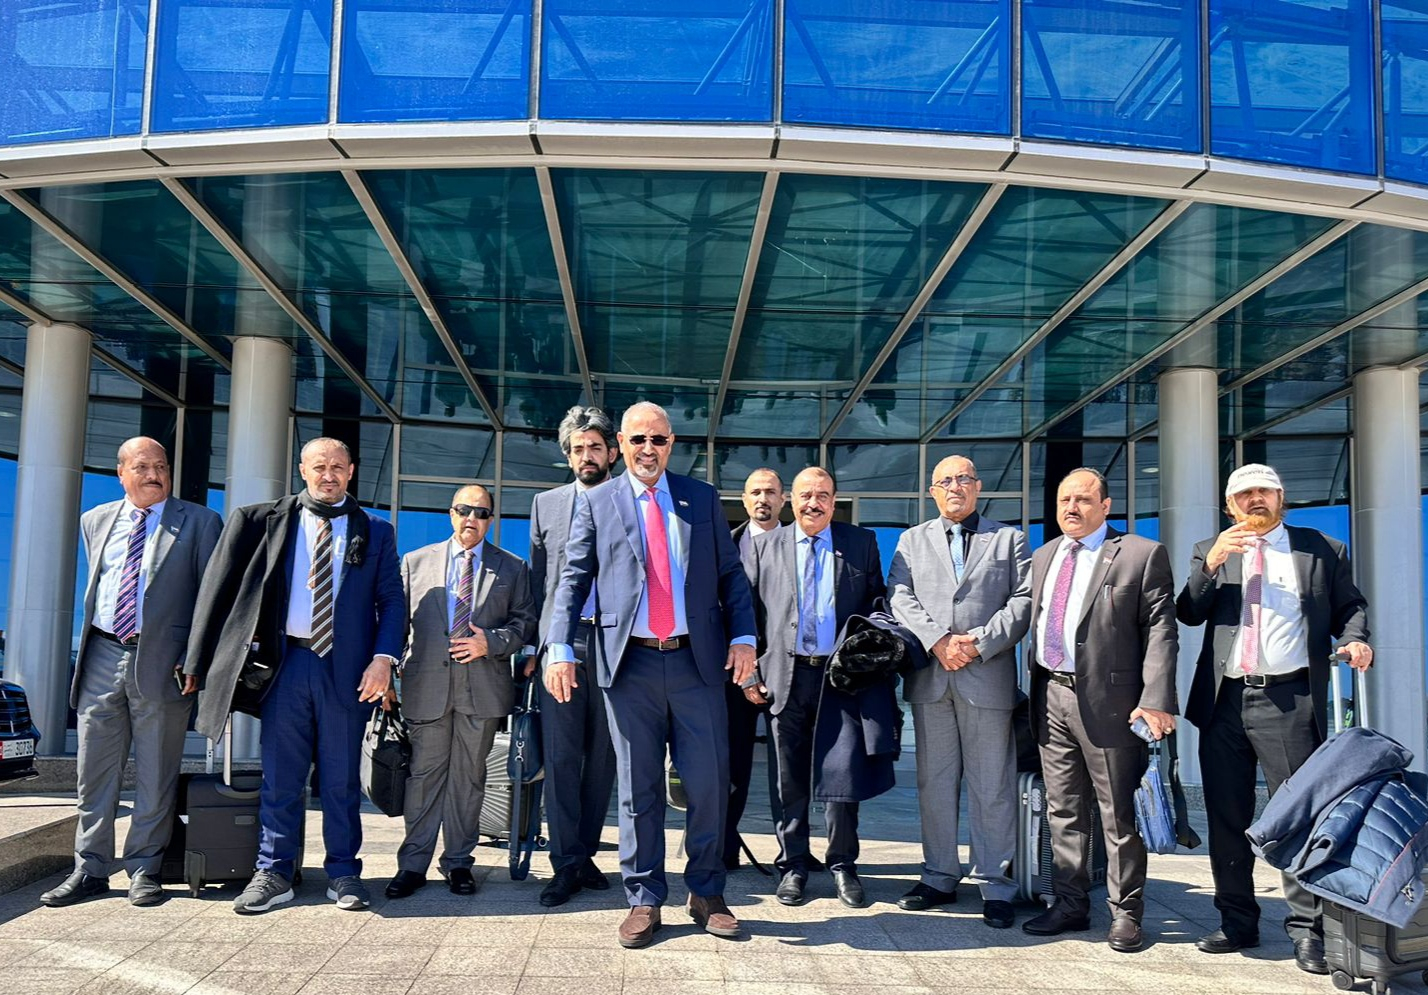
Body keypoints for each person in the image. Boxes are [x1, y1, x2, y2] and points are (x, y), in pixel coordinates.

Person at [545, 401, 756, 949]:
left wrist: (744, 638)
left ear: (671, 443)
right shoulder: (598, 501)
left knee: (708, 783)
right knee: (638, 789)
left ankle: (706, 892)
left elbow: (731, 575)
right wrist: (558, 647)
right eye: (637, 439)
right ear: (621, 443)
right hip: (629, 664)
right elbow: (572, 577)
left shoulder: (701, 498)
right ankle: (643, 897)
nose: (647, 449)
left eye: (657, 440)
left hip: (696, 663)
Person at [185, 437, 404, 914]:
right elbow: (218, 588)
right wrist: (199, 660)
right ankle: (274, 872)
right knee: (281, 778)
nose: (329, 475)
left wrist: (384, 659)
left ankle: (343, 872)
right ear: (302, 470)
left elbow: (391, 600)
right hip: (284, 666)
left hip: (347, 672)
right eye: (319, 466)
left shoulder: (376, 531)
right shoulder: (263, 521)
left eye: (338, 467)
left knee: (341, 781)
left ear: (351, 471)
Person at [1176, 463, 1372, 975]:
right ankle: (1236, 921)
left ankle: (1307, 930)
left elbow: (1350, 607)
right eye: (1244, 494)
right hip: (1225, 701)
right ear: (1229, 507)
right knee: (1226, 817)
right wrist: (1211, 564)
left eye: (1264, 491)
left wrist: (1355, 639)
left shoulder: (1321, 549)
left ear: (1281, 498)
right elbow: (1188, 612)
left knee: (1297, 817)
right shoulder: (1210, 549)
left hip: (1290, 700)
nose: (1255, 499)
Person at [40, 438, 222, 908]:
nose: (154, 474)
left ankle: (144, 868)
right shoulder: (95, 520)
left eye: (161, 466)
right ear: (121, 473)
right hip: (101, 653)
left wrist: (196, 657)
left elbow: (211, 598)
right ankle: (89, 869)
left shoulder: (200, 522)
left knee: (156, 773)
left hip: (164, 661)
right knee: (93, 772)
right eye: (142, 466)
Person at [1022, 468, 1178, 953]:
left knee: (1117, 813)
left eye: (1083, 500)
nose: (1072, 508)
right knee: (1063, 809)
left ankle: (1126, 913)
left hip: (1113, 705)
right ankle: (1070, 903)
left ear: (1106, 506)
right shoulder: (1044, 555)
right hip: (1051, 696)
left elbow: (1161, 630)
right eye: (1064, 500)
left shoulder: (1139, 554)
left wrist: (1155, 699)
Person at [886, 455, 1030, 928]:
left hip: (986, 676)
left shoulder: (1008, 539)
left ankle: (996, 885)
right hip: (932, 676)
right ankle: (939, 877)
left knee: (993, 786)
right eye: (944, 481)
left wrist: (979, 643)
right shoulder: (911, 540)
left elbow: (1024, 600)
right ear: (932, 491)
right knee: (935, 784)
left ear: (978, 485)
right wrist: (937, 641)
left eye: (963, 478)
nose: (955, 487)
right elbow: (900, 596)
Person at [385, 484, 535, 899]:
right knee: (423, 777)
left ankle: (458, 862)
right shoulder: (415, 562)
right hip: (426, 688)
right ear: (451, 514)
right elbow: (395, 624)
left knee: (469, 779)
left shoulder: (513, 567)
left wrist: (492, 642)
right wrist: (387, 674)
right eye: (465, 510)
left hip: (482, 690)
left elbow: (525, 623)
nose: (473, 518)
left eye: (482, 513)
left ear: (491, 520)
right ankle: (412, 865)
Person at [745, 467, 884, 907]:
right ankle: (793, 865)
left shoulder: (860, 543)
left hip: (839, 678)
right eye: (806, 495)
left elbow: (877, 604)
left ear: (834, 501)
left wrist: (871, 650)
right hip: (784, 678)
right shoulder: (765, 546)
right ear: (791, 500)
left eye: (823, 495)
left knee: (842, 776)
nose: (813, 503)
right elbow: (746, 616)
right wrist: (750, 672)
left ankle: (843, 864)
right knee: (787, 781)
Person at [527, 405, 621, 907]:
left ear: (612, 452)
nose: (587, 456)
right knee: (561, 757)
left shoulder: (630, 500)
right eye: (578, 449)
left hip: (615, 645)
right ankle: (565, 863)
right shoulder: (546, 505)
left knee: (604, 759)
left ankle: (585, 854)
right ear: (568, 456)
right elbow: (539, 583)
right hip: (563, 647)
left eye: (595, 447)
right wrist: (536, 647)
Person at [724, 467, 786, 870]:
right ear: (744, 500)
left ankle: (793, 851)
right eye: (755, 492)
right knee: (733, 765)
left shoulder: (800, 545)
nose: (763, 499)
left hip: (787, 673)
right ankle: (725, 845)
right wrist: (748, 673)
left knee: (788, 768)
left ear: (783, 499)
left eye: (770, 492)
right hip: (734, 676)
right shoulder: (725, 546)